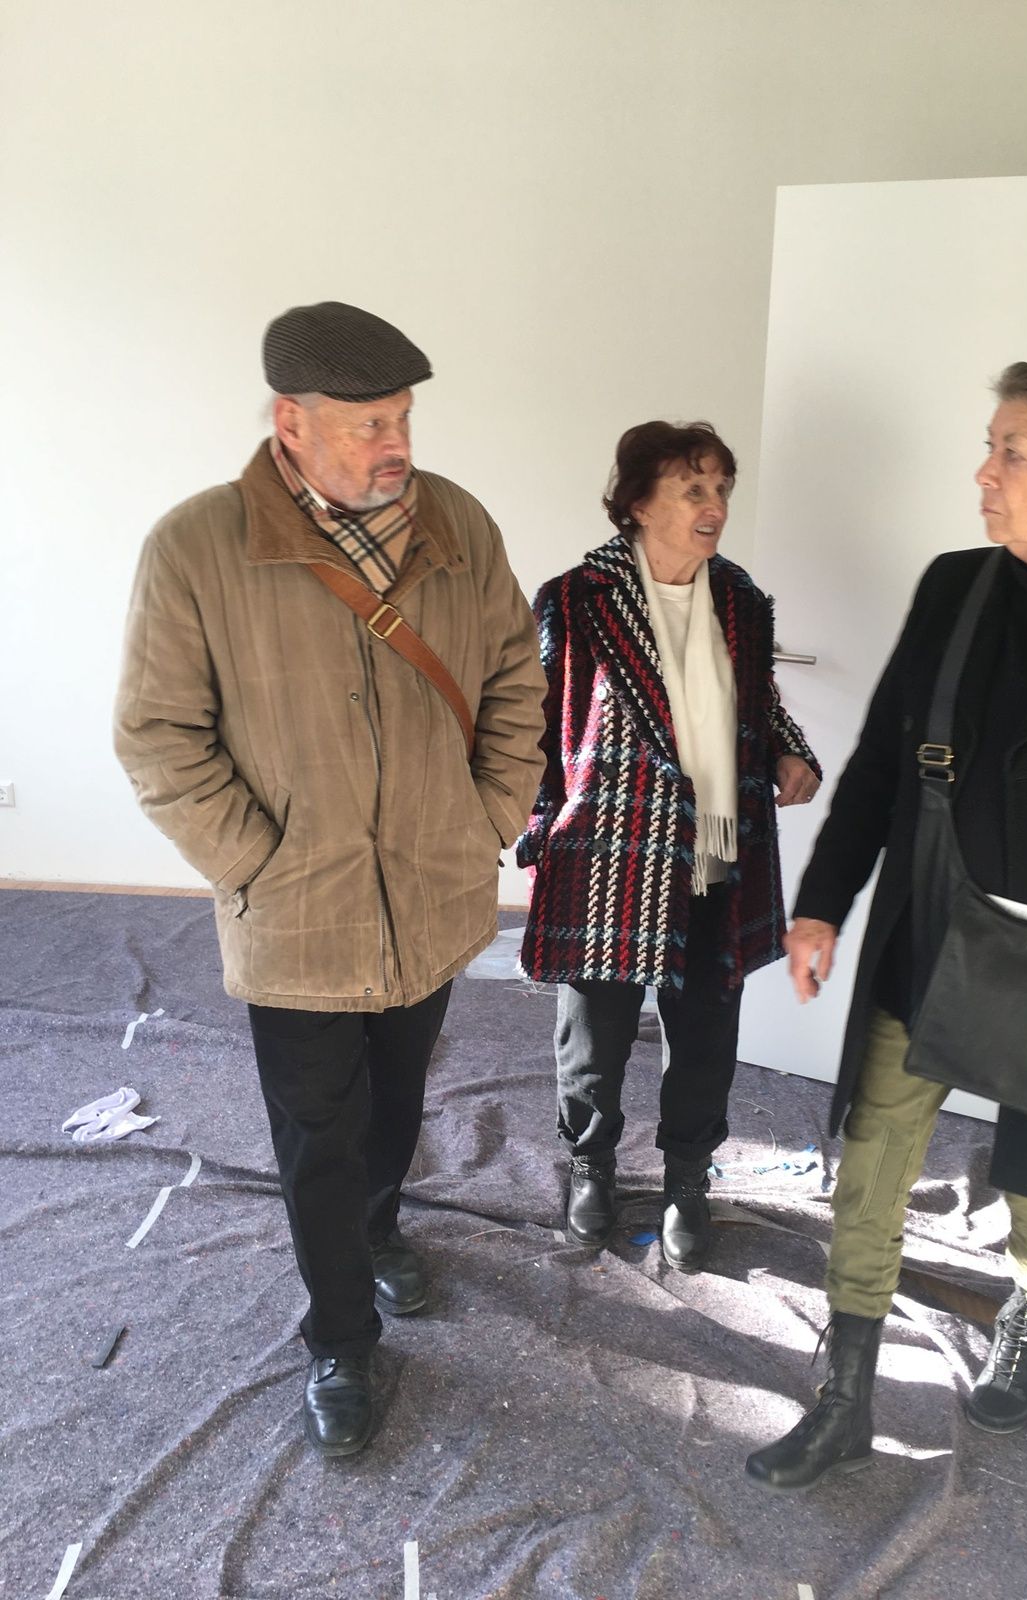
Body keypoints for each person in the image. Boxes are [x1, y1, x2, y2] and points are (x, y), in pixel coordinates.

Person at [746, 345, 1027, 1490]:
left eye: (1014, 452)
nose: (985, 473)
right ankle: (845, 1395)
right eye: (991, 448)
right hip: (936, 936)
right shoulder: (958, 587)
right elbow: (879, 768)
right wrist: (822, 904)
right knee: (873, 1160)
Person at [114, 301, 546, 1457]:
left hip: (432, 892)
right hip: (296, 916)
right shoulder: (196, 546)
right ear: (290, 422)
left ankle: (381, 1225)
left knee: (397, 1099)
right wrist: (254, 862)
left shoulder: (456, 523)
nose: (395, 444)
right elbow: (158, 735)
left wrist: (488, 815)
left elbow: (516, 674)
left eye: (402, 418)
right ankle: (341, 1336)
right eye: (367, 425)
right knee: (318, 1127)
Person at [516, 421, 821, 1271]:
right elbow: (535, 718)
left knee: (707, 1028)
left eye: (721, 488)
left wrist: (790, 749)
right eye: (693, 489)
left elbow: (758, 701)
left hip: (716, 838)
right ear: (639, 504)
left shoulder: (740, 598)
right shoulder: (577, 597)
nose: (714, 505)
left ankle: (689, 1175)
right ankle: (591, 1163)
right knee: (597, 1030)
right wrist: (536, 822)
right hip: (609, 840)